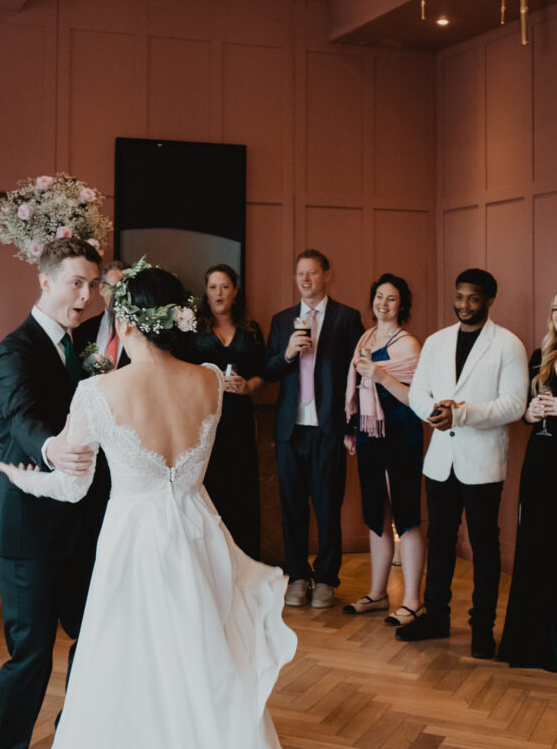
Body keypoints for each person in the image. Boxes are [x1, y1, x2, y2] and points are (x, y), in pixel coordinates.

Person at [0, 262, 304, 749]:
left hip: (136, 550)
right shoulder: (210, 383)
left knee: (131, 688)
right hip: (197, 544)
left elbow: (72, 488)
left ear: (125, 320)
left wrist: (17, 474)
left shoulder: (98, 391)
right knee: (203, 682)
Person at [0, 237, 104, 749]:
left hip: (84, 528)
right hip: (29, 533)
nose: (84, 295)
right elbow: (20, 415)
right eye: (75, 282)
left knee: (95, 641)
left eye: (92, 284)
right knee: (30, 658)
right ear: (44, 280)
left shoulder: (87, 345)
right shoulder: (13, 350)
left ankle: (71, 746)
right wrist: (53, 446)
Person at [397, 269, 527, 660]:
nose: (464, 305)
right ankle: (435, 616)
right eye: (459, 296)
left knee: (485, 547)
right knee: (440, 542)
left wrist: (463, 414)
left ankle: (482, 629)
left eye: (473, 298)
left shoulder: (508, 345)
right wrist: (433, 411)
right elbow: (418, 391)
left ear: (489, 300)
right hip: (439, 462)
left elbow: (514, 405)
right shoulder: (436, 342)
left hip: (483, 463)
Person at [263, 250, 363, 608]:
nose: (305, 280)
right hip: (291, 429)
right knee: (292, 507)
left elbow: (359, 374)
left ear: (327, 275)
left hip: (329, 428)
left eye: (312, 273)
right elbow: (270, 369)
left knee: (326, 506)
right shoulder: (282, 320)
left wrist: (352, 427)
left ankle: (326, 578)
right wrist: (288, 353)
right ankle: (298, 576)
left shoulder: (347, 318)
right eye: (300, 274)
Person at [342, 274, 425, 626]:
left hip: (401, 435)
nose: (383, 304)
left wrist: (380, 375)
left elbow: (417, 400)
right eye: (379, 296)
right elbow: (359, 390)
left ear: (401, 305)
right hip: (370, 434)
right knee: (377, 516)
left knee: (406, 517)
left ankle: (412, 601)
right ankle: (377, 594)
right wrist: (352, 428)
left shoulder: (408, 345)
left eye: (391, 299)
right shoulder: (366, 337)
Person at [181, 263, 265, 559]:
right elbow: (182, 372)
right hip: (205, 419)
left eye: (225, 286)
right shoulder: (193, 329)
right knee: (210, 484)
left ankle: (244, 556)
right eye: (213, 286)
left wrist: (249, 385)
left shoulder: (250, 329)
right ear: (206, 292)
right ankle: (212, 559)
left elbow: (262, 373)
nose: (219, 292)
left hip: (240, 419)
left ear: (235, 292)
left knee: (241, 485)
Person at [497, 292, 557, 669]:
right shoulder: (541, 357)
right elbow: (523, 413)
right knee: (536, 545)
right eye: (556, 308)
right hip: (541, 462)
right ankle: (530, 644)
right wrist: (531, 414)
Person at [75, 258, 128, 368]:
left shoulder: (139, 332)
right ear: (101, 289)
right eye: (114, 287)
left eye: (124, 287)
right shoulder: (82, 331)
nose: (119, 293)